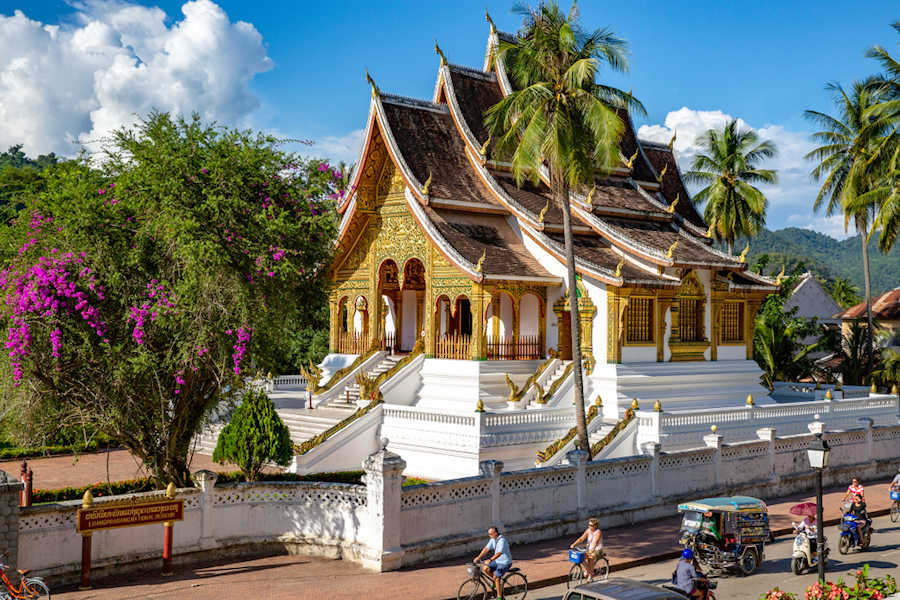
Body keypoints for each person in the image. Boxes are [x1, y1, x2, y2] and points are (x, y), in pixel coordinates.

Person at [474, 526, 512, 599]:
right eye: (489, 534)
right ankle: (496, 581)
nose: (489, 536)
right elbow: (486, 549)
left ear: (495, 533)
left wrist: (490, 560)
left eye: (490, 534)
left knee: (496, 577)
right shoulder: (492, 539)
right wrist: (478, 557)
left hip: (505, 562)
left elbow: (499, 553)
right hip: (497, 561)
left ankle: (499, 597)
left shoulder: (502, 540)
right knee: (485, 568)